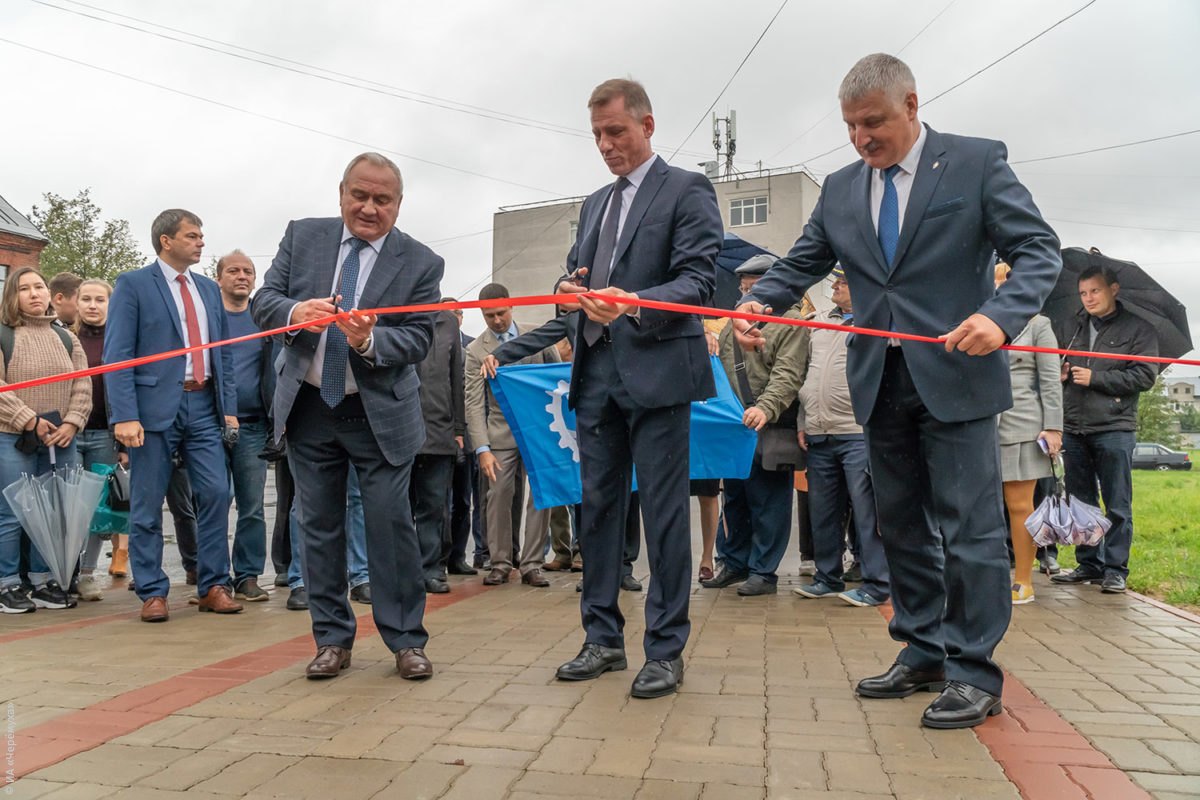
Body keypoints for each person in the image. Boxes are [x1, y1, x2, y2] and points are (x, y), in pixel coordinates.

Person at [734, 54, 1061, 728]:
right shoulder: (844, 188)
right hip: (878, 382)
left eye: (873, 122)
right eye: (851, 126)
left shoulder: (974, 164)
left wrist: (998, 319)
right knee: (901, 526)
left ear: (911, 105)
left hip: (958, 377)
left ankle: (975, 672)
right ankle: (923, 649)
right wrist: (760, 301)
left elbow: (1038, 251)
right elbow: (804, 257)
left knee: (971, 532)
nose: (861, 138)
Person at [555, 78, 722, 699]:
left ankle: (665, 650)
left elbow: (699, 282)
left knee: (663, 512)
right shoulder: (595, 202)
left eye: (616, 132)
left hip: (657, 376)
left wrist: (633, 304)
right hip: (595, 376)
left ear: (647, 125)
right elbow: (579, 271)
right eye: (597, 134)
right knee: (598, 511)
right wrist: (569, 289)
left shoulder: (687, 189)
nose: (605, 144)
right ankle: (601, 639)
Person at [252, 151, 441, 681]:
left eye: (382, 199)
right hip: (310, 408)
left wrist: (370, 338)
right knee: (318, 528)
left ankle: (406, 641)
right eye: (360, 195)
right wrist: (294, 313)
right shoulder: (303, 236)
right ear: (341, 193)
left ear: (398, 205)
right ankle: (332, 640)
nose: (369, 207)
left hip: (378, 412)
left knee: (390, 527)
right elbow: (264, 299)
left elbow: (420, 336)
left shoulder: (422, 262)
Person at [105, 209, 242, 623]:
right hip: (151, 410)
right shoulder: (133, 285)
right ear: (166, 240)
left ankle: (214, 584)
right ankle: (152, 591)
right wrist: (124, 415)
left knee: (217, 492)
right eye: (192, 235)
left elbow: (224, 353)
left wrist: (229, 409)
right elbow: (117, 354)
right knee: (147, 503)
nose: (201, 242)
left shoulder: (206, 288)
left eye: (202, 235)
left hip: (203, 405)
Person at [704, 254, 808, 596]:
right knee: (734, 498)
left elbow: (788, 374)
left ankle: (763, 571)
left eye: (752, 283)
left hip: (770, 423)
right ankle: (732, 562)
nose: (745, 290)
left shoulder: (792, 323)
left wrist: (765, 407)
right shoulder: (734, 323)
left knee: (769, 501)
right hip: (735, 426)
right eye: (744, 284)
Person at [1051, 266, 1157, 594]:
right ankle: (1089, 564)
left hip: (1114, 426)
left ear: (1114, 289)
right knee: (1081, 502)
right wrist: (1062, 372)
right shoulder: (1071, 326)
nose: (1089, 299)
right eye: (1084, 293)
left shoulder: (1140, 330)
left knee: (1117, 502)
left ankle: (1115, 569)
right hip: (1073, 425)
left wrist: (1096, 379)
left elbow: (1145, 377)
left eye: (1095, 291)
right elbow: (1054, 365)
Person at [793, 265, 891, 607]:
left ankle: (877, 583)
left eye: (844, 280)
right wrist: (803, 420)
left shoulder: (876, 321)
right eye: (835, 279)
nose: (835, 285)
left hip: (856, 431)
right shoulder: (819, 322)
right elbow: (808, 372)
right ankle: (827, 576)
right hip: (819, 432)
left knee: (867, 512)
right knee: (822, 510)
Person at [0, 268, 91, 612]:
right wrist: (29, 420)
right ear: (12, 295)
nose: (34, 293)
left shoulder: (67, 337)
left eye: (39, 286)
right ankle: (7, 583)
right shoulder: (4, 335)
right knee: (12, 512)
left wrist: (72, 422)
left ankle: (43, 579)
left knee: (54, 511)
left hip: (61, 437)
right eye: (25, 288)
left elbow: (83, 384)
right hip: (12, 436)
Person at [464, 283, 559, 588]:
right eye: (489, 315)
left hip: (540, 431)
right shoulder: (476, 350)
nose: (497, 320)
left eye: (501, 313)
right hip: (501, 434)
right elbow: (474, 402)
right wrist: (482, 448)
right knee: (497, 495)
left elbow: (558, 378)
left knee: (540, 497)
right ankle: (500, 562)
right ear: (482, 314)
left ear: (512, 306)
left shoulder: (538, 335)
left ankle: (532, 564)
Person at [993, 262, 1062, 604]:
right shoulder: (974, 318)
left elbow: (1050, 380)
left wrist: (1053, 426)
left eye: (1004, 278)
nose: (998, 284)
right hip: (977, 422)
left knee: (1019, 505)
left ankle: (1023, 580)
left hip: (1021, 424)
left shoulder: (1038, 325)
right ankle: (983, 577)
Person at [216, 250, 272, 602]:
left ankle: (248, 576)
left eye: (248, 271)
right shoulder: (209, 320)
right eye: (233, 270)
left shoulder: (263, 319)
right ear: (219, 277)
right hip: (211, 426)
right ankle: (216, 576)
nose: (242, 276)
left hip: (254, 427)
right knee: (214, 502)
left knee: (252, 506)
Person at [74, 279, 123, 602]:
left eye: (100, 299)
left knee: (99, 509)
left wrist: (124, 444)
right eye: (86, 299)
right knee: (71, 508)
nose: (93, 305)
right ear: (76, 303)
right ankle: (65, 571)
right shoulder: (66, 339)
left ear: (110, 303)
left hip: (106, 434)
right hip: (69, 432)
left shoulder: (119, 341)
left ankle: (88, 573)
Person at [411, 304, 465, 594]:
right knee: (397, 508)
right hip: (400, 430)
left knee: (434, 506)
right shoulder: (396, 313)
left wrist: (458, 429)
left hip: (439, 428)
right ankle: (402, 571)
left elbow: (456, 378)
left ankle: (431, 569)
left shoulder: (447, 322)